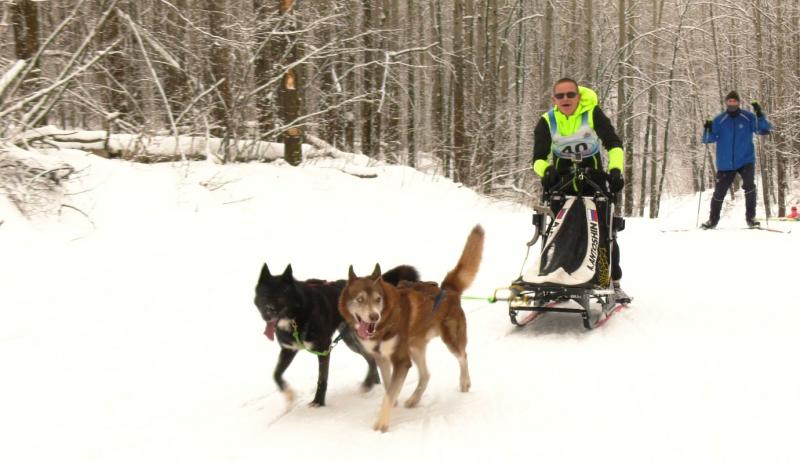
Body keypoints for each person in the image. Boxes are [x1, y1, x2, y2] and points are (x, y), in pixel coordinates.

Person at [531, 77, 628, 302]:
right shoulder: (547, 121)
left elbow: (614, 145)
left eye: (570, 95)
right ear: (554, 99)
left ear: (578, 97)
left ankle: (611, 280)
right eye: (560, 95)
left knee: (603, 233)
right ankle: (556, 277)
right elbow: (537, 159)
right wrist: (546, 170)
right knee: (557, 232)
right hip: (561, 184)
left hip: (593, 183)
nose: (565, 99)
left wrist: (615, 170)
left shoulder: (592, 114)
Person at [700, 91, 772, 229]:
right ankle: (712, 221)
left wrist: (760, 115)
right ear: (726, 102)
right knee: (719, 192)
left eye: (735, 101)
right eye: (730, 101)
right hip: (725, 162)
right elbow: (708, 139)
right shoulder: (719, 120)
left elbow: (763, 130)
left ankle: (751, 218)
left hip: (745, 159)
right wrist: (707, 129)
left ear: (738, 102)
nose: (732, 103)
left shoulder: (748, 117)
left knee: (750, 187)